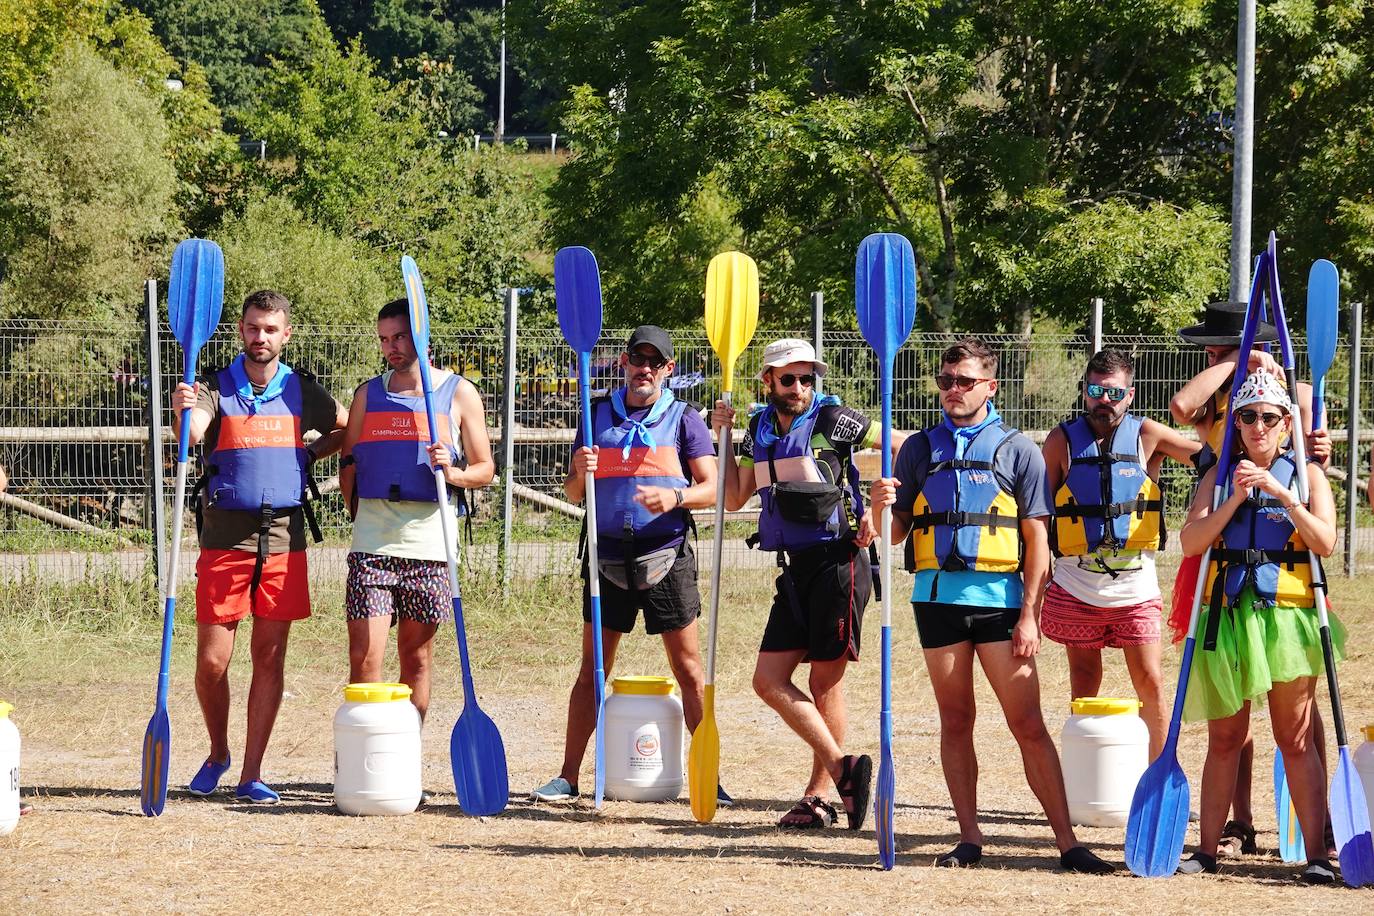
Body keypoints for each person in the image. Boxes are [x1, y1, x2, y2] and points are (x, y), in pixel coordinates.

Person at [870, 336, 1114, 873]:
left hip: (1001, 607)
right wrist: (878, 506)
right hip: (935, 602)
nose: (952, 391)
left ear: (990, 387)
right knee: (955, 720)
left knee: (1027, 724)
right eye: (945, 381)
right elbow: (891, 534)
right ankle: (969, 837)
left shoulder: (1017, 450)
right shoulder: (918, 448)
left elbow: (1037, 543)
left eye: (964, 382)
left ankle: (1067, 843)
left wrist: (1030, 614)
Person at [531, 326, 724, 805]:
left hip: (667, 557)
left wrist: (675, 497)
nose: (645, 369)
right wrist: (579, 472)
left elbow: (714, 487)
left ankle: (708, 777)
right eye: (637, 359)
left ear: (668, 371)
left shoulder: (685, 419)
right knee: (592, 669)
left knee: (689, 670)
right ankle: (569, 776)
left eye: (655, 363)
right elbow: (575, 494)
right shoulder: (595, 415)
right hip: (606, 559)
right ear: (623, 362)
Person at [1169, 300, 1333, 858]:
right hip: (1227, 615)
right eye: (1247, 417)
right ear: (1234, 425)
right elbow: (1190, 543)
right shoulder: (1218, 475)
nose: (1257, 426)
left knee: (1294, 738)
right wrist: (1235, 496)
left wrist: (1284, 495)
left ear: (1287, 424)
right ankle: (1208, 851)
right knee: (1225, 739)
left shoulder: (1307, 475)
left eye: (1269, 417)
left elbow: (1325, 543)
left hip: (1287, 616)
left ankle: (1317, 855)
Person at [172, 290, 347, 804]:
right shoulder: (213, 386)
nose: (260, 337)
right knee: (212, 663)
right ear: (241, 331)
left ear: (285, 334)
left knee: (269, 659)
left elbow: (346, 425)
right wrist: (184, 413)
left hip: (283, 538)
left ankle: (251, 773)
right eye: (252, 327)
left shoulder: (301, 389)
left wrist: (310, 453)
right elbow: (196, 427)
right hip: (224, 538)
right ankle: (218, 753)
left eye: (270, 329)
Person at [712, 339, 886, 830]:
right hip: (793, 567)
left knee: (824, 682)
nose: (800, 388)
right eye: (789, 378)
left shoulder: (835, 420)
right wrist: (721, 438)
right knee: (767, 680)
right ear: (768, 380)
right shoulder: (757, 428)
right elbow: (732, 497)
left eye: (808, 378)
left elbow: (898, 444)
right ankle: (843, 769)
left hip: (839, 561)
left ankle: (820, 798)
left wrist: (877, 507)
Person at [339, 298, 495, 725]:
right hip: (373, 542)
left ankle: (404, 758)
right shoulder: (367, 394)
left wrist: (454, 470)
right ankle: (365, 760)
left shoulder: (458, 392)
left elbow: (485, 469)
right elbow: (348, 461)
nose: (392, 347)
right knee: (365, 655)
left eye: (401, 336)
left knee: (416, 657)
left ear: (421, 335)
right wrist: (359, 510)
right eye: (385, 339)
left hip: (431, 546)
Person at [1041, 349, 1199, 760]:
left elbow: (1210, 458)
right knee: (1084, 679)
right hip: (1076, 585)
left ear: (1130, 394)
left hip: (1135, 590)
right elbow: (1038, 513)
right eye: (1095, 390)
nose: (1103, 400)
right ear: (1085, 391)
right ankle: (1084, 772)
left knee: (1151, 682)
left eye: (1113, 392)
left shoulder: (1149, 435)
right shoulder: (1061, 440)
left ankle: (1161, 774)